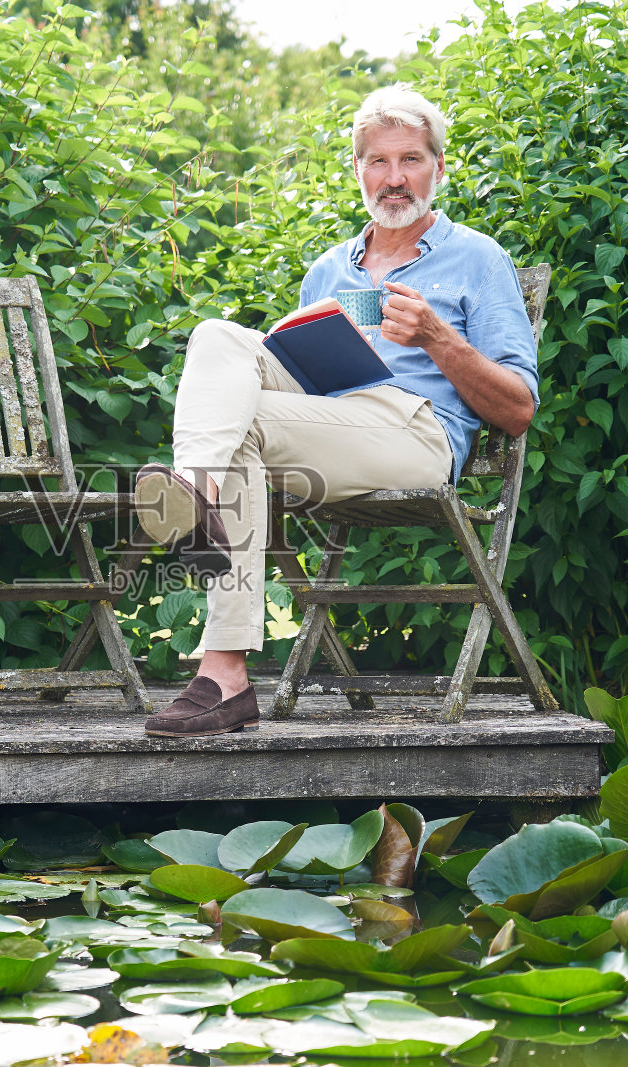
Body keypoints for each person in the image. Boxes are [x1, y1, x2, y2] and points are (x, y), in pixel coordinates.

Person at [134, 85, 540, 738]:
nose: (395, 178)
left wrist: (438, 336)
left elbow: (517, 411)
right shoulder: (329, 270)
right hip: (332, 425)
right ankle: (201, 504)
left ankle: (219, 656)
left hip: (417, 433)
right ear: (357, 171)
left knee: (246, 426)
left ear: (439, 165)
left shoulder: (478, 259)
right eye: (378, 162)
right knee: (216, 337)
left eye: (411, 159)